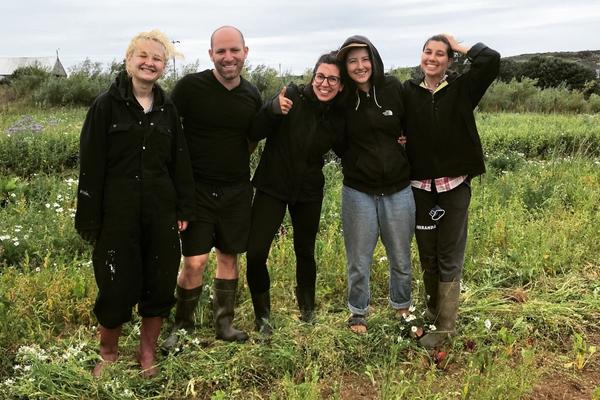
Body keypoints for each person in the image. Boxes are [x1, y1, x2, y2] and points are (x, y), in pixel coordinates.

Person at [74, 29, 194, 377]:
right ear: (128, 60)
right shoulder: (105, 106)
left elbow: (179, 161)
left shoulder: (168, 109)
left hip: (160, 211)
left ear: (164, 67)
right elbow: (91, 164)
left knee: (158, 283)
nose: (149, 63)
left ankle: (146, 354)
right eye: (143, 56)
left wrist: (184, 207)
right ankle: (108, 354)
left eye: (157, 59)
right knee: (115, 284)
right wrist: (89, 217)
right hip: (117, 213)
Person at [162, 26, 261, 350]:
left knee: (229, 257)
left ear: (245, 52)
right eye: (221, 51)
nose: (228, 57)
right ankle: (182, 326)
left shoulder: (251, 94)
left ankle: (224, 324)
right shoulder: (190, 88)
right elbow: (169, 133)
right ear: (210, 55)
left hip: (235, 190)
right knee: (194, 261)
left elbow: (250, 140)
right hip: (197, 191)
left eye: (234, 50)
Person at [402, 34, 500, 348]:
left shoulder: (462, 89)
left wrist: (458, 44)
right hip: (420, 188)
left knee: (449, 255)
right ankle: (433, 313)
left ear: (449, 60)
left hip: (454, 188)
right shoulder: (407, 92)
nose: (432, 58)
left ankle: (445, 327)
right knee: (428, 255)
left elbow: (491, 60)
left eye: (440, 54)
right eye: (427, 52)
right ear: (421, 56)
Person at [246, 51, 345, 335]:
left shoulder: (337, 115)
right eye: (321, 76)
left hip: (309, 191)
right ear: (313, 76)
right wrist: (271, 108)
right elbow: (255, 129)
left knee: (305, 251)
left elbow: (349, 150)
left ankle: (307, 309)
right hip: (272, 186)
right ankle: (262, 317)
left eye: (332, 79)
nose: (325, 84)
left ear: (340, 85)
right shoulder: (291, 95)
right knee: (255, 253)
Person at [336, 36, 415, 334]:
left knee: (401, 255)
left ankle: (402, 306)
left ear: (374, 59)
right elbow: (338, 141)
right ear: (345, 66)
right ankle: (358, 311)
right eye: (352, 61)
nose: (360, 66)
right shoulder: (343, 98)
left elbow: (412, 123)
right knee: (358, 258)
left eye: (364, 58)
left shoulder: (393, 88)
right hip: (359, 191)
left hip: (398, 188)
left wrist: (404, 144)